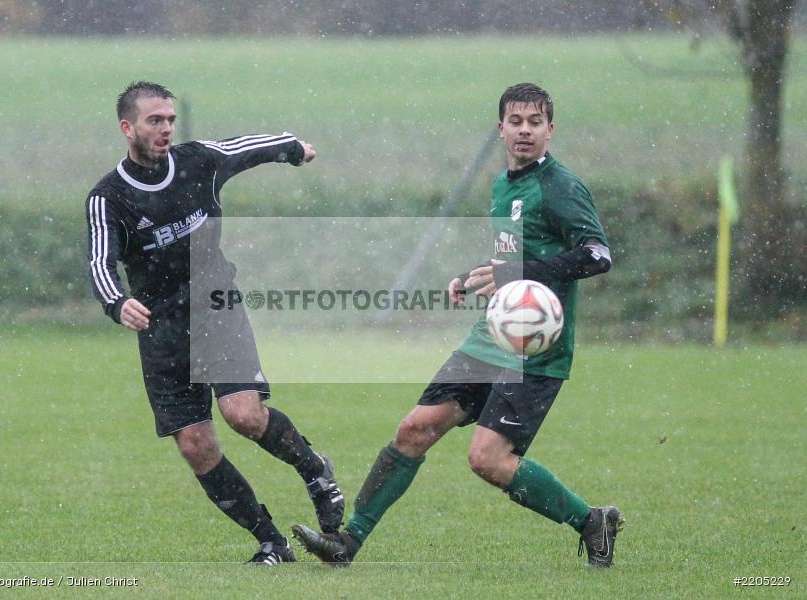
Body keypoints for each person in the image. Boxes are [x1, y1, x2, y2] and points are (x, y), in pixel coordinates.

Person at [292, 83, 622, 567]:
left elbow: (598, 255)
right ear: (501, 128)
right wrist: (474, 276)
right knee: (415, 429)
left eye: (535, 122)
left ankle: (592, 521)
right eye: (516, 121)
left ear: (550, 129)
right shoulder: (503, 185)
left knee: (488, 460)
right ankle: (348, 542)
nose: (525, 130)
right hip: (490, 337)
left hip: (536, 348)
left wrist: (522, 273)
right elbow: (513, 258)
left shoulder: (560, 187)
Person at [85, 81, 343, 565]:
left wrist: (291, 149)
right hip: (161, 328)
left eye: (169, 119)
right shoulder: (108, 197)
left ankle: (315, 471)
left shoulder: (198, 161)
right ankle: (272, 542)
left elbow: (246, 148)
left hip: (215, 306)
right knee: (195, 445)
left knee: (243, 415)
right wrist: (116, 302)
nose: (166, 128)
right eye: (154, 121)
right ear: (127, 128)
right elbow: (100, 261)